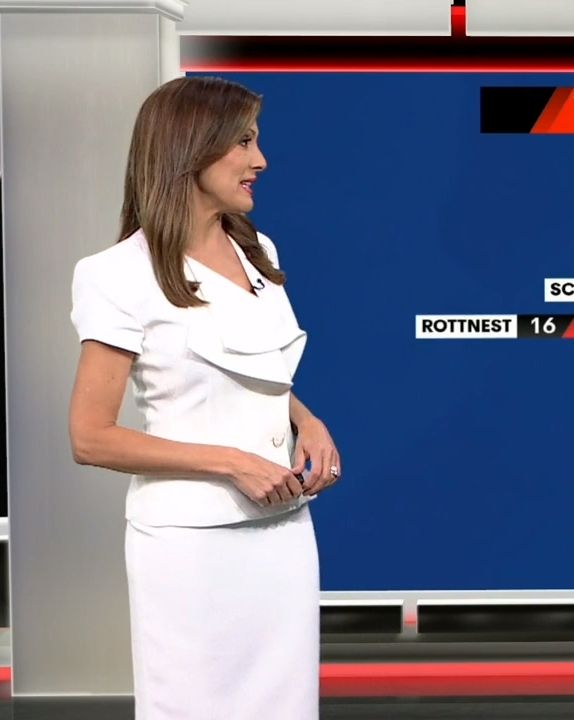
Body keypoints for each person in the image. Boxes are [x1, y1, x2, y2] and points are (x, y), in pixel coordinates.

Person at [68, 76, 341, 719]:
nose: (260, 160)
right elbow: (90, 437)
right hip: (191, 548)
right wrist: (232, 462)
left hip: (283, 531)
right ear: (190, 149)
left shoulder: (257, 250)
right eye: (243, 142)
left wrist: (306, 420)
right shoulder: (115, 274)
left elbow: (254, 368)